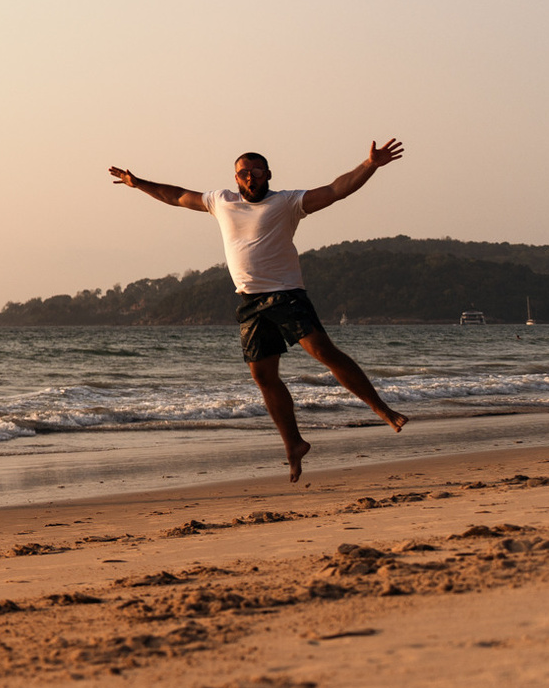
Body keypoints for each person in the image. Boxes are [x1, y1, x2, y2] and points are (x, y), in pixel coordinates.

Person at [109, 142, 410, 482]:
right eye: (243, 173)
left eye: (256, 172)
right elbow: (177, 195)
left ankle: (382, 410)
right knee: (263, 377)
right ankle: (294, 444)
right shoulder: (221, 201)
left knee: (323, 352)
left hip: (286, 295)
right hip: (250, 302)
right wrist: (140, 184)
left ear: (268, 175)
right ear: (236, 178)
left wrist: (369, 165)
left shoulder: (286, 202)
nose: (250, 178)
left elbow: (336, 190)